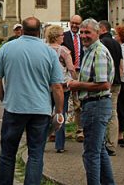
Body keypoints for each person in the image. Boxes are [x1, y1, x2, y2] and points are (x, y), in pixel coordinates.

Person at [0, 16, 64, 185]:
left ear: (22, 30)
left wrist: (5, 98)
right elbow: (57, 86)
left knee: (7, 154)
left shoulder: (7, 48)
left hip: (14, 108)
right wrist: (59, 111)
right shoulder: (49, 52)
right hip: (40, 110)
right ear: (40, 31)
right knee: (36, 154)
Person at [67, 18, 116, 185]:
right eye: (81, 32)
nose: (83, 35)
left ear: (97, 32)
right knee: (100, 150)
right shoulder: (89, 51)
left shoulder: (98, 52)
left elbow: (104, 84)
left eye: (87, 32)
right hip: (93, 104)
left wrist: (77, 85)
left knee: (91, 153)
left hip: (97, 104)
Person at [45, 24, 74, 153]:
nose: (63, 37)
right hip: (61, 87)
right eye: (62, 35)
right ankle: (60, 144)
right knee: (60, 113)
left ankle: (41, 141)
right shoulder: (63, 51)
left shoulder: (43, 49)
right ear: (56, 37)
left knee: (45, 115)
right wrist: (75, 79)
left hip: (46, 86)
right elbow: (71, 68)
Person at [99, 20, 123, 155]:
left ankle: (103, 142)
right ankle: (113, 144)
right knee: (113, 113)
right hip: (117, 82)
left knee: (103, 112)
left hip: (105, 82)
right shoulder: (116, 44)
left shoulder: (101, 43)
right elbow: (120, 64)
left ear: (102, 29)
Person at [62, 14, 84, 142]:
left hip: (80, 72)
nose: (75, 25)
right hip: (66, 73)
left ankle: (80, 130)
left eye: (77, 23)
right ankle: (58, 130)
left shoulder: (83, 37)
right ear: (69, 23)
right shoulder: (64, 36)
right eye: (73, 23)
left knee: (78, 102)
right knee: (61, 101)